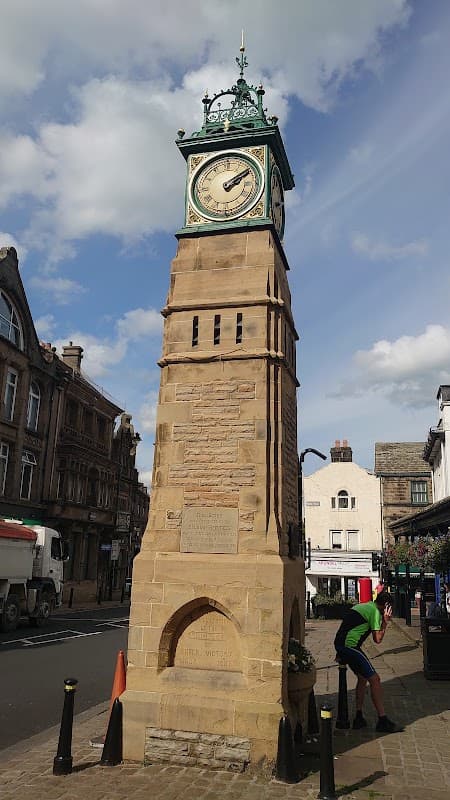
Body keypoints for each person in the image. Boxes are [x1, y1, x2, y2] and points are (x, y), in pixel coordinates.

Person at [334, 591, 397, 732]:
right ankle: (382, 719)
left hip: (342, 644)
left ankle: (358, 716)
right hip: (349, 646)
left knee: (362, 678)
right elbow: (378, 639)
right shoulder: (375, 612)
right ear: (386, 607)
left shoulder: (366, 605)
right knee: (375, 679)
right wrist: (385, 622)